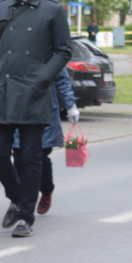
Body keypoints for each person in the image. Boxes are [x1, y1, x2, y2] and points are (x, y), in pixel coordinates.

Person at [0, 0, 72, 238]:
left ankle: (26, 217)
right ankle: (17, 197)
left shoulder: (52, 11)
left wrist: (42, 78)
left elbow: (63, 51)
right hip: (1, 91)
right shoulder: (0, 8)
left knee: (30, 158)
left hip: (33, 93)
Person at [13, 67, 78, 215]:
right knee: (18, 158)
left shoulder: (49, 49)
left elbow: (62, 79)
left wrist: (71, 106)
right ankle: (22, 201)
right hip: (17, 110)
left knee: (40, 157)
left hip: (44, 111)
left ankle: (46, 190)